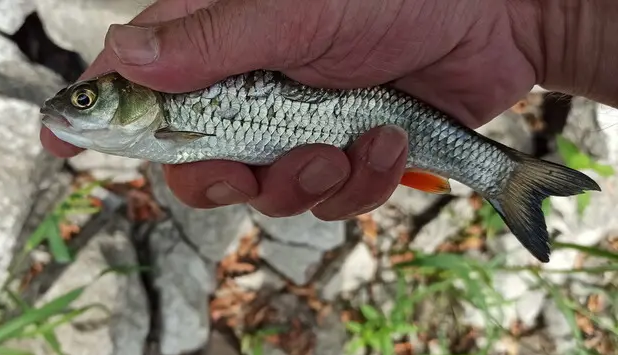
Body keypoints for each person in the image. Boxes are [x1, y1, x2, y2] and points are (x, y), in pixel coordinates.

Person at [40, 0, 617, 220]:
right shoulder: (152, 123)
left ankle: (505, 176)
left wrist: (535, 24)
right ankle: (503, 176)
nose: (72, 108)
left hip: (368, 107)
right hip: (374, 109)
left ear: (138, 96)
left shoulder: (162, 100)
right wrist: (538, 24)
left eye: (86, 98)